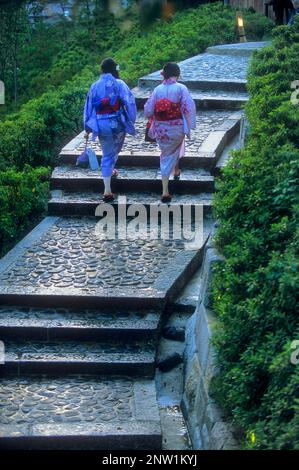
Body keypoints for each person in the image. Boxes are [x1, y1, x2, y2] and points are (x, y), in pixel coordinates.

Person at [84, 58, 137, 202]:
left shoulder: (94, 86)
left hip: (101, 124)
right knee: (114, 150)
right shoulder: (119, 83)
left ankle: (108, 188)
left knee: (107, 152)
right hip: (117, 122)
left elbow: (89, 106)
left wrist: (87, 126)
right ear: (115, 70)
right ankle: (108, 185)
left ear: (102, 70)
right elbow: (129, 101)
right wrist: (132, 118)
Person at [144, 62, 196, 203]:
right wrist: (190, 124)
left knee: (167, 152)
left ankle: (176, 170)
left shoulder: (157, 90)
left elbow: (148, 110)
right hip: (176, 126)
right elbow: (188, 107)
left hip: (161, 129)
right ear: (177, 74)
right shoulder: (181, 88)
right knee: (171, 152)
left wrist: (154, 117)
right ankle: (165, 191)